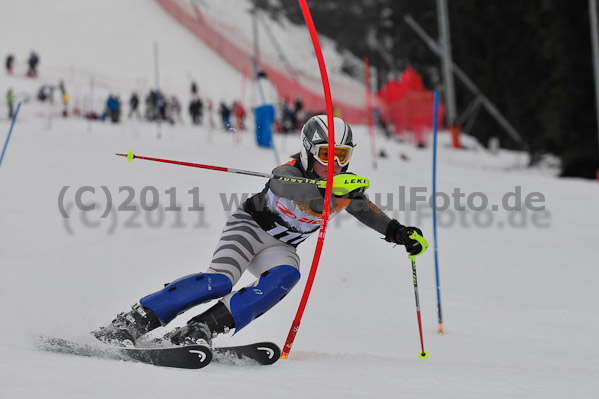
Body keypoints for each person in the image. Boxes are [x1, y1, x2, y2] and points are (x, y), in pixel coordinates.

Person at [93, 115, 425, 348]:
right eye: (326, 155)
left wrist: (399, 232)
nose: (334, 164)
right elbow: (283, 185)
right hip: (249, 228)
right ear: (309, 151)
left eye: (342, 156)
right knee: (220, 281)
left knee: (285, 278)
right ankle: (135, 321)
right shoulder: (290, 172)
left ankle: (201, 328)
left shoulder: (346, 189)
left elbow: (367, 211)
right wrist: (324, 191)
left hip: (281, 247)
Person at [246, 70, 279, 147]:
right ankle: (266, 143)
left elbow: (251, 96)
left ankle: (259, 142)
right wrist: (275, 106)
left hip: (258, 107)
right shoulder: (270, 84)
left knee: (259, 125)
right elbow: (275, 97)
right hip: (269, 106)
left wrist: (251, 106)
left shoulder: (255, 84)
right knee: (267, 125)